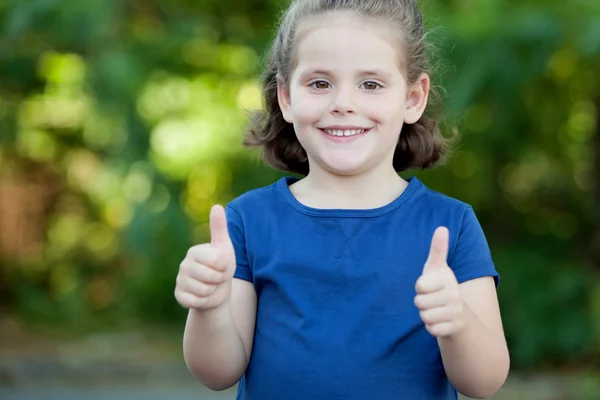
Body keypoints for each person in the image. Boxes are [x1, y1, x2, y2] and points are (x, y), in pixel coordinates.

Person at [174, 0, 510, 398]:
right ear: (285, 96)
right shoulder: (248, 221)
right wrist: (209, 308)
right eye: (319, 83)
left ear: (412, 98)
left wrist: (458, 321)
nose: (343, 103)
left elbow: (484, 382)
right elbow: (217, 373)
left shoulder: (450, 225)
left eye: (370, 84)